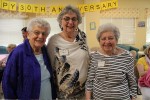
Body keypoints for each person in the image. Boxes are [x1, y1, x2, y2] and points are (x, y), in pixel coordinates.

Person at [2, 18, 56, 99]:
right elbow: (8, 82)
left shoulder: (45, 50)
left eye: (44, 33)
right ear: (28, 34)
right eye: (36, 32)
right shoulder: (18, 52)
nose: (40, 36)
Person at [47, 5, 89, 99]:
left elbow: (88, 58)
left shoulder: (83, 37)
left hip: (84, 91)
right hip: (64, 94)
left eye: (74, 19)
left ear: (78, 22)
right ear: (60, 21)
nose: (70, 22)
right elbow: (49, 66)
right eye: (67, 19)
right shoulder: (54, 41)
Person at [85, 23, 137, 100]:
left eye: (110, 38)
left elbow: (132, 82)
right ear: (99, 41)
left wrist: (134, 98)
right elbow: (89, 82)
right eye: (103, 39)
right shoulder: (94, 56)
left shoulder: (127, 56)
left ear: (116, 39)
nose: (107, 42)